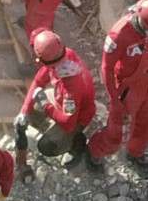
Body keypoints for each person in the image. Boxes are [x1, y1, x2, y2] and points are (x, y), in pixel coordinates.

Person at [85, 0, 148, 168]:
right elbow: (106, 69)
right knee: (120, 132)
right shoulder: (119, 34)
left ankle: (135, 153)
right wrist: (115, 101)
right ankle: (95, 152)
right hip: (129, 89)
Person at [11, 29, 98, 175]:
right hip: (59, 100)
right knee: (32, 108)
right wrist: (24, 111)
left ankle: (77, 145)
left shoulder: (72, 87)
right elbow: (39, 81)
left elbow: (68, 123)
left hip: (77, 116)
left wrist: (46, 104)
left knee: (46, 147)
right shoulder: (62, 56)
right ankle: (48, 124)